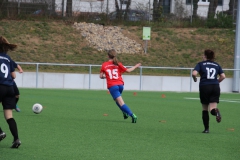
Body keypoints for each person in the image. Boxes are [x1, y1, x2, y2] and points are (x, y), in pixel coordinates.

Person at [100, 49, 141, 123]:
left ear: (108, 56)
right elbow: (128, 71)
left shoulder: (104, 65)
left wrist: (107, 76)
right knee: (117, 100)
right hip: (120, 85)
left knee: (121, 102)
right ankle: (124, 112)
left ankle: (132, 115)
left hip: (113, 86)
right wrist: (135, 66)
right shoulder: (118, 64)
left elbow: (101, 76)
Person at [192, 49, 226, 133]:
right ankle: (216, 112)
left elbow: (194, 73)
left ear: (205, 56)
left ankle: (206, 129)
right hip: (215, 87)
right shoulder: (217, 65)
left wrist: (195, 78)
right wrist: (216, 82)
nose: (202, 56)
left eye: (203, 55)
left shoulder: (200, 64)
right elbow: (223, 76)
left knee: (205, 109)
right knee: (213, 108)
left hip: (205, 87)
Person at [0, 36, 21, 148]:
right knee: (9, 116)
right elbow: (13, 75)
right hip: (9, 88)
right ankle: (16, 139)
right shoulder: (7, 58)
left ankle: (0, 133)